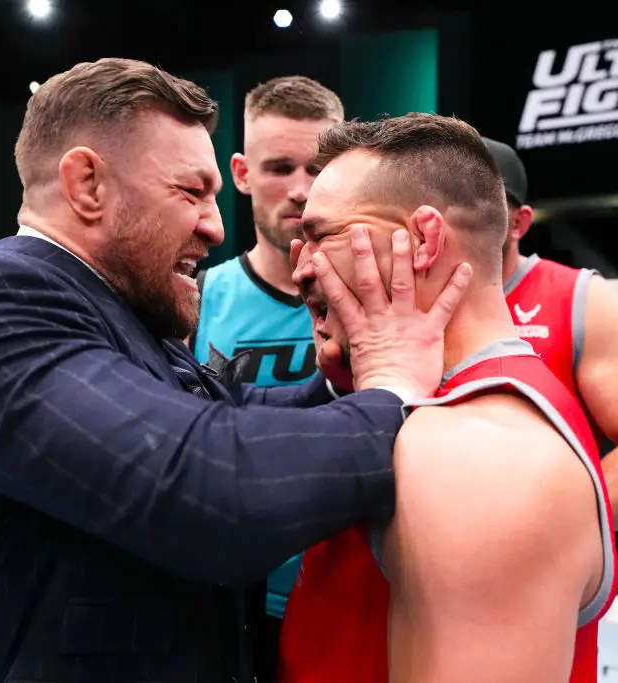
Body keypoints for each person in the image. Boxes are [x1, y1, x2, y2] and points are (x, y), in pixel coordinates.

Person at [0, 58, 471, 683]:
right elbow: (212, 488)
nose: (215, 226)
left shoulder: (123, 317)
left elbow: (238, 415)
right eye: (190, 192)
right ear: (87, 185)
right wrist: (393, 388)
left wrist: (349, 370)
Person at [278, 114, 618, 683]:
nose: (301, 269)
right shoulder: (437, 408)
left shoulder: (480, 453)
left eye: (320, 235)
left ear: (424, 241)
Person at [188, 75, 344, 676]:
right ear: (243, 173)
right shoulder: (196, 300)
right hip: (230, 597)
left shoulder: (384, 302)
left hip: (356, 586)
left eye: (319, 167)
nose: (302, 190)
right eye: (280, 167)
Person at [486, 137, 618, 542]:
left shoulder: (579, 299)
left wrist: (534, 542)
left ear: (520, 222)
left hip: (525, 566)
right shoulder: (411, 298)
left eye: (478, 201)